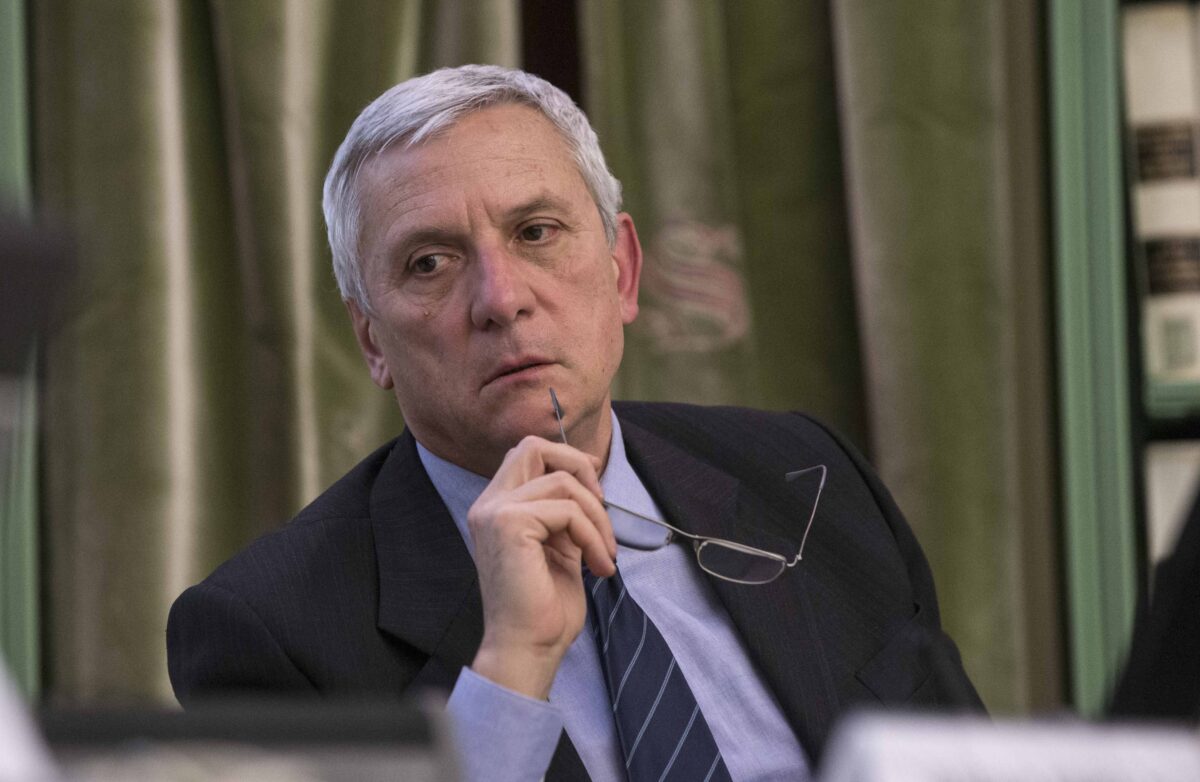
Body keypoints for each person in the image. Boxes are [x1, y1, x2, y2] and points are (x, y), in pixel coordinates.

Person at [167, 64, 983, 781]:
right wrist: (509, 669)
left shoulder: (808, 477)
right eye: (430, 263)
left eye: (536, 233)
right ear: (372, 341)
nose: (501, 299)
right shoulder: (269, 631)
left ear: (623, 272)